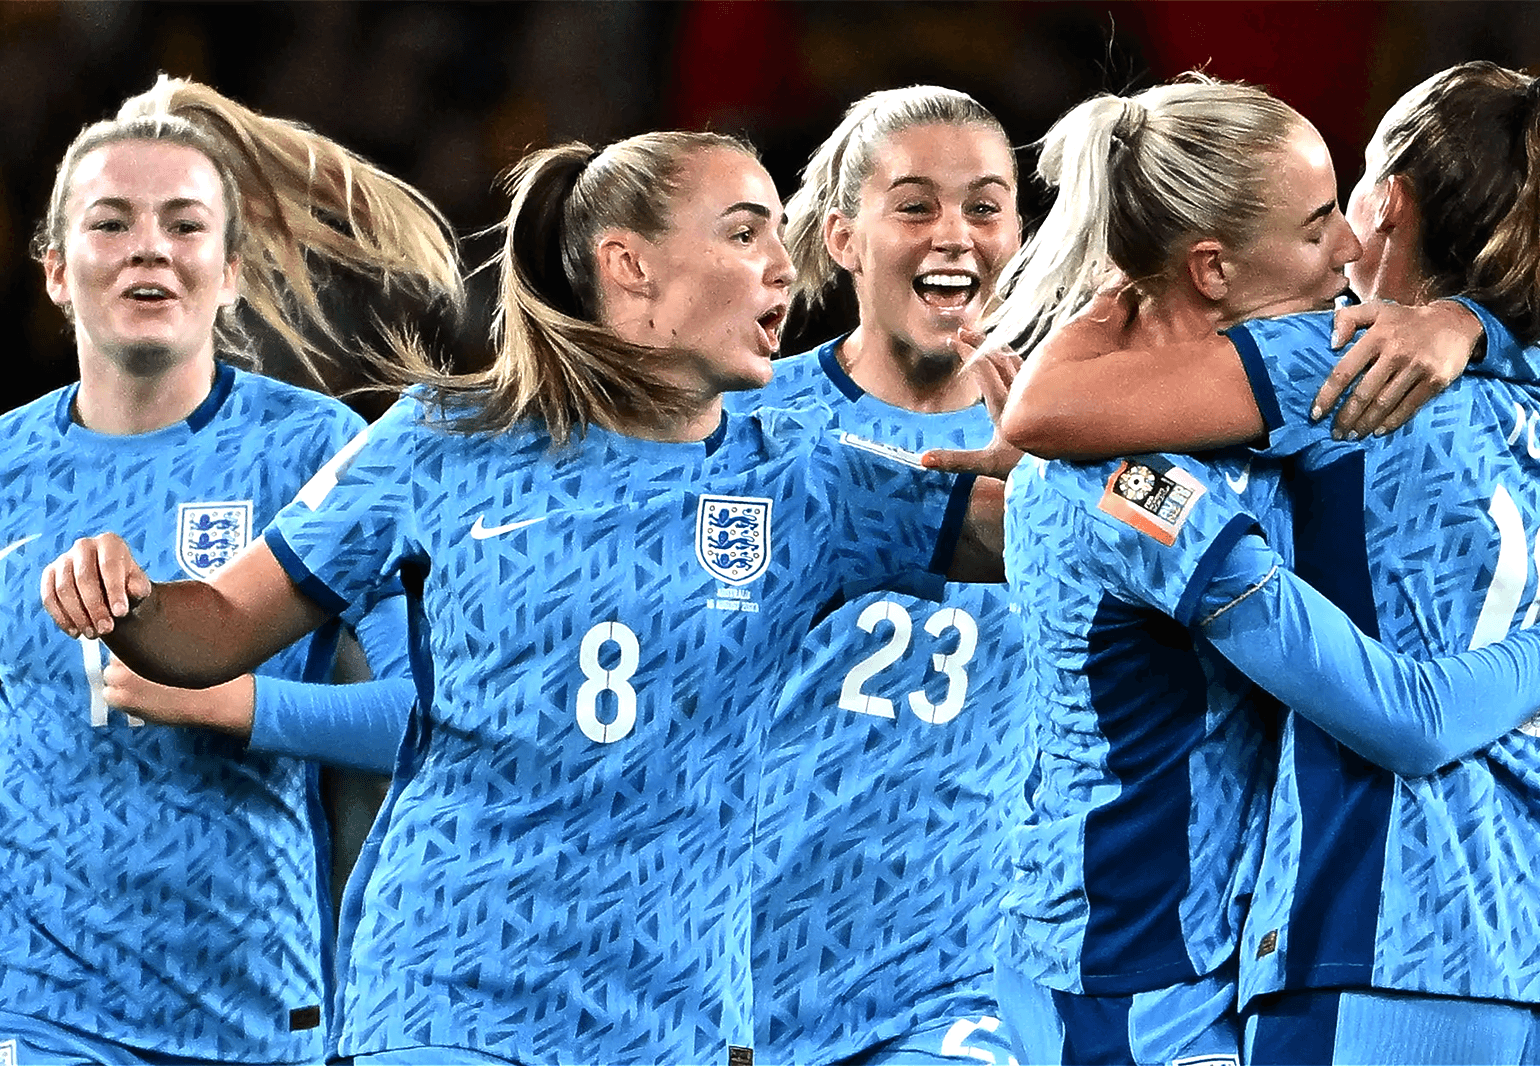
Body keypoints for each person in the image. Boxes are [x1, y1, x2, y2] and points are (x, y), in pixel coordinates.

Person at [40, 130, 1009, 1066]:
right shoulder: (443, 441)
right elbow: (213, 627)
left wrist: (1063, 452)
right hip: (449, 979)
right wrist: (127, 605)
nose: (782, 268)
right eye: (743, 231)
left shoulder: (802, 481)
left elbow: (1014, 535)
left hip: (671, 1013)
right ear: (629, 265)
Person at [917, 73, 1540, 1066]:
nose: (1344, 248)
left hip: (1373, 931)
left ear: (1392, 204)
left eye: (1344, 204)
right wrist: (1478, 326)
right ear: (1211, 265)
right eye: (1314, 221)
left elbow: (1047, 414)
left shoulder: (1335, 364)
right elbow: (1062, 449)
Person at [0, 77, 458, 1064]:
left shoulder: (317, 452)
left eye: (184, 224)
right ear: (53, 270)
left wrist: (231, 702)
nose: (150, 247)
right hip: (40, 1011)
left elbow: (431, 721)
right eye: (111, 223)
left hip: (252, 1007)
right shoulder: (3, 468)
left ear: (232, 269)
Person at [723, 85, 1027, 1064]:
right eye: (915, 205)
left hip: (958, 979)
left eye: (984, 206)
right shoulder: (746, 434)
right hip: (743, 967)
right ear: (844, 236)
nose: (955, 235)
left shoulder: (1072, 437)